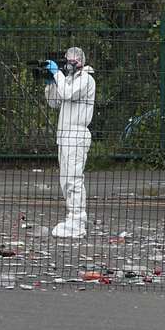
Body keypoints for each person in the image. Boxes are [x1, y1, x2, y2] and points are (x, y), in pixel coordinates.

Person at [44, 46, 96, 238]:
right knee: (66, 179)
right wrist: (51, 82)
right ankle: (72, 216)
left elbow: (67, 94)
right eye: (67, 60)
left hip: (77, 134)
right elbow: (55, 101)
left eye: (72, 60)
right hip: (64, 135)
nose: (69, 63)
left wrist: (56, 73)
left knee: (74, 179)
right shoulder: (68, 80)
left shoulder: (86, 79)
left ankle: (78, 221)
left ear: (80, 61)